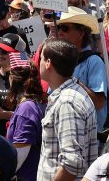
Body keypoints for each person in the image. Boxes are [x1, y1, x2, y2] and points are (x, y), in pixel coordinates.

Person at [37, 38, 98, 181]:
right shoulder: (68, 95)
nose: (37, 62)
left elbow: (72, 163)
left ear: (48, 63)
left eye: (41, 58)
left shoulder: (67, 102)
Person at [56, 7, 109, 132]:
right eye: (59, 28)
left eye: (65, 28)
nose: (60, 33)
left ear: (81, 33)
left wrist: (72, 81)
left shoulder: (94, 61)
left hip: (88, 135)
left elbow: (99, 103)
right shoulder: (62, 60)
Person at [5, 61, 46, 181]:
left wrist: (5, 174)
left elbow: (20, 153)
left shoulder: (26, 108)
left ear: (12, 79)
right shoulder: (36, 103)